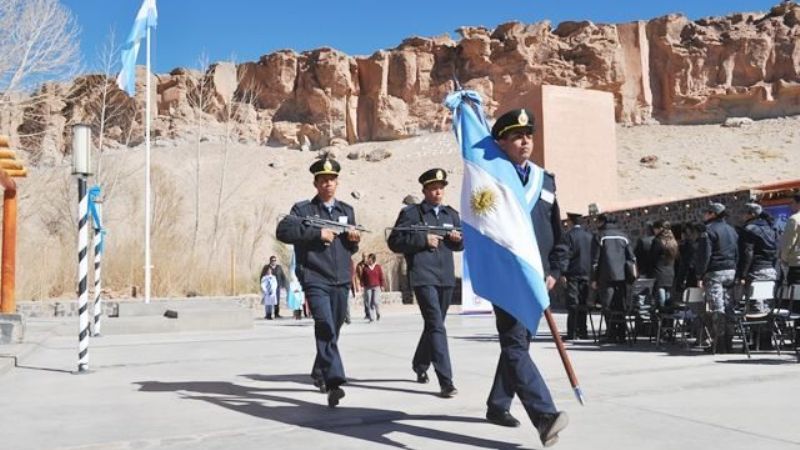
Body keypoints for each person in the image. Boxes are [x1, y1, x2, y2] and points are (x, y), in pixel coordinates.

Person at [482, 109, 568, 447]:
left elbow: (558, 233)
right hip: (508, 277)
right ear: (501, 142)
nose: (525, 141)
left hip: (539, 279)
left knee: (520, 344)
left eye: (529, 135)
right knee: (515, 343)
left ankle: (497, 404)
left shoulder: (544, 179)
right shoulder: (491, 179)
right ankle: (545, 416)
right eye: (517, 136)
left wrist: (555, 271)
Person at [275, 156, 360, 408]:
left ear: (337, 183)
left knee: (333, 328)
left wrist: (353, 239)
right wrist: (316, 233)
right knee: (324, 324)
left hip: (341, 279)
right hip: (315, 277)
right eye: (323, 181)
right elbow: (284, 232)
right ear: (315, 183)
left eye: (332, 180)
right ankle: (334, 382)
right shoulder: (302, 210)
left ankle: (319, 371)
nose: (328, 185)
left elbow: (350, 250)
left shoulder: (347, 210)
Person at [387, 168, 462, 399]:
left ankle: (420, 363)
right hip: (423, 276)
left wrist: (459, 240)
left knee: (434, 325)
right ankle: (446, 381)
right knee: (437, 325)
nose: (437, 192)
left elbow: (461, 244)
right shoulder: (412, 213)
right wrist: (422, 239)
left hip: (446, 278)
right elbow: (395, 241)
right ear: (425, 190)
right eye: (433, 188)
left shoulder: (451, 214)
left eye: (441, 187)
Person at [696, 202, 739, 353]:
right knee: (729, 306)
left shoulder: (708, 231)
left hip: (715, 272)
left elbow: (704, 255)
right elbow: (737, 252)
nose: (704, 215)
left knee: (717, 307)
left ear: (713, 214)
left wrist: (700, 274)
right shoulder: (732, 230)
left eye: (706, 212)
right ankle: (729, 342)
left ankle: (719, 344)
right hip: (731, 271)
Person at [591, 214, 636, 343]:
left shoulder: (600, 236)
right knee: (620, 305)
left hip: (605, 276)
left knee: (607, 305)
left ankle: (611, 333)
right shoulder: (624, 236)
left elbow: (595, 260)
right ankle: (621, 333)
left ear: (602, 222)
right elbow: (631, 257)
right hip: (623, 277)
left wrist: (594, 278)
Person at [737, 203, 778, 313]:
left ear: (751, 214)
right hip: (771, 272)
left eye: (744, 213)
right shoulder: (771, 228)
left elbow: (747, 253)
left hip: (755, 272)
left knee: (754, 307)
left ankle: (755, 329)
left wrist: (743, 274)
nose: (742, 216)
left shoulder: (749, 229)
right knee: (767, 307)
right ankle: (766, 329)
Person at [559, 212, 593, 340]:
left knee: (573, 303)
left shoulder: (568, 236)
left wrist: (563, 273)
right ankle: (583, 331)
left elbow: (565, 255)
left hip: (572, 273)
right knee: (583, 302)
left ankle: (572, 332)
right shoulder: (589, 236)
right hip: (586, 273)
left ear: (571, 222)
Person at [650, 220, 679, 310]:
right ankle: (668, 319)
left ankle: (662, 317)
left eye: (655, 229)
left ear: (659, 229)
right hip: (670, 272)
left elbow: (652, 257)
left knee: (661, 299)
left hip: (659, 272)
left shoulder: (657, 241)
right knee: (668, 297)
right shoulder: (673, 241)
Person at [778, 194, 800, 287]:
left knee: (794, 296)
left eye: (792, 203)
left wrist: (783, 258)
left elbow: (788, 243)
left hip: (796, 264)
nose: (790, 205)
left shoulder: (794, 219)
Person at [360, 253, 385, 322]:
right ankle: (371, 317)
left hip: (376, 286)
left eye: (370, 259)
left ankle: (378, 313)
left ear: (373, 260)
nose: (368, 260)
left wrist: (382, 285)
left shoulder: (377, 267)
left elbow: (381, 276)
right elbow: (362, 278)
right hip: (368, 287)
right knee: (369, 302)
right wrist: (362, 286)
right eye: (368, 259)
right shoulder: (365, 267)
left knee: (376, 301)